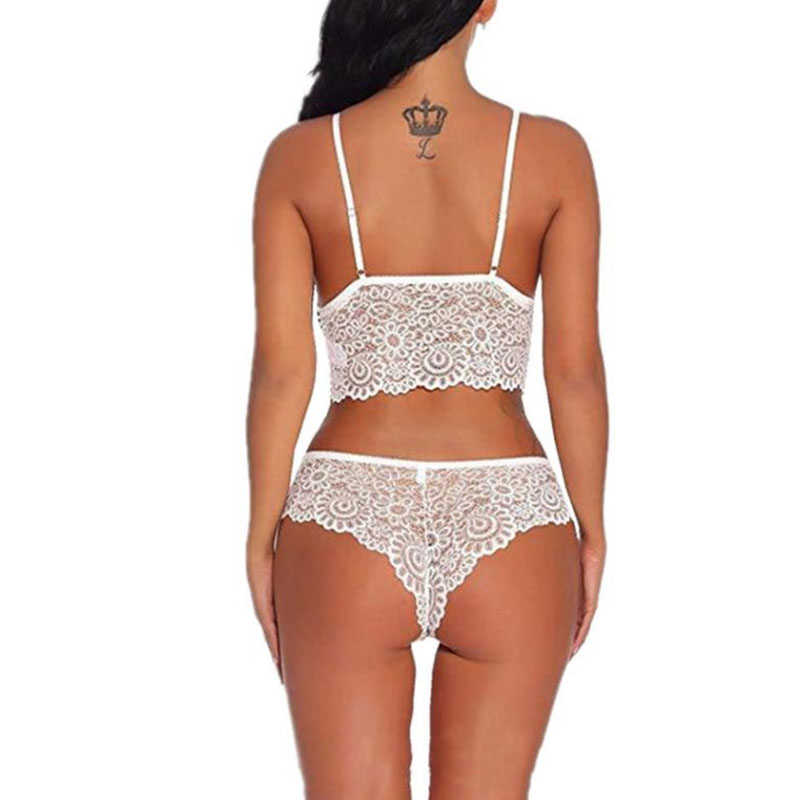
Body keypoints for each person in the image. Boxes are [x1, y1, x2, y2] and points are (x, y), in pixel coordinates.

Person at [246, 1, 608, 797]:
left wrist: (260, 535)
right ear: (486, 4)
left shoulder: (301, 158)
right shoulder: (553, 154)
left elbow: (281, 371)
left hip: (348, 510)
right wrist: (591, 529)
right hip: (510, 514)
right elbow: (575, 369)